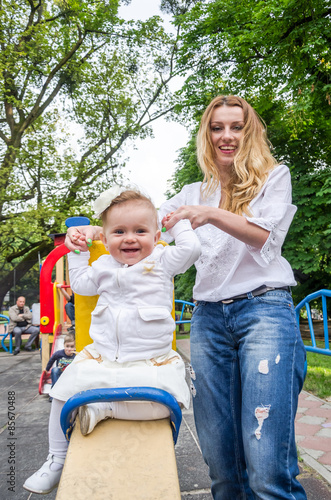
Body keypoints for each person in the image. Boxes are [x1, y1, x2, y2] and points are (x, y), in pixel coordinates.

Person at [62, 96, 307, 500]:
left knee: (266, 464)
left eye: (236, 126)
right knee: (221, 462)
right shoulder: (194, 191)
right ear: (206, 136)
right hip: (210, 318)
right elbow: (139, 225)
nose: (226, 136)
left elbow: (266, 238)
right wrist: (93, 232)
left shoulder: (273, 178)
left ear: (251, 134)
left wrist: (208, 214)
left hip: (264, 311)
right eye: (216, 128)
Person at [23, 188, 200, 495]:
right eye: (119, 231)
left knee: (166, 407)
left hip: (151, 361)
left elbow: (192, 249)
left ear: (157, 236)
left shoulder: (162, 261)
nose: (130, 238)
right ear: (104, 240)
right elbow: (80, 284)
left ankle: (105, 407)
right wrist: (77, 251)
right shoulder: (103, 266)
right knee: (62, 394)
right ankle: (56, 459)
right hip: (102, 357)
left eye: (140, 231)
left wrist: (178, 224)